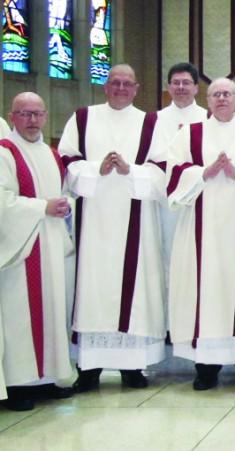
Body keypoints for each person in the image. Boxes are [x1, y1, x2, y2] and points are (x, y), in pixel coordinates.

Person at [59, 64, 166, 392]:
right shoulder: (83, 118)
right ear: (105, 87)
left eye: (127, 84)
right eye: (114, 83)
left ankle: (132, 367)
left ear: (136, 89)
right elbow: (66, 160)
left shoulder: (150, 122)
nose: (120, 88)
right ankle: (89, 367)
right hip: (94, 219)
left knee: (133, 290)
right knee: (93, 286)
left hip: (136, 218)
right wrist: (97, 168)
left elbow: (162, 168)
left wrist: (130, 171)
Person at [164, 78, 235, 391]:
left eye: (228, 93)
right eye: (216, 94)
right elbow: (172, 174)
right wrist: (203, 173)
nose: (222, 98)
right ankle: (206, 367)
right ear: (208, 101)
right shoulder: (190, 134)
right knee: (205, 289)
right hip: (202, 228)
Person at [0, 92, 74, 410]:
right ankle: (19, 384)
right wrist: (42, 207)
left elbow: (63, 192)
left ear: (45, 116)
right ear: (12, 117)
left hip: (50, 244)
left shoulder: (51, 154)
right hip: (22, 249)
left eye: (37, 114)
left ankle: (47, 379)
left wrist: (64, 205)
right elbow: (3, 201)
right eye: (25, 114)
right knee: (21, 314)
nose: (32, 120)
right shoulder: (5, 152)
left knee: (52, 308)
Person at [151, 62, 208, 309]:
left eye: (186, 83)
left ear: (196, 87)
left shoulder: (209, 117)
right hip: (167, 203)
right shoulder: (154, 120)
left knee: (201, 257)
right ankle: (169, 323)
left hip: (202, 200)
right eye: (176, 83)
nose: (181, 87)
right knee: (167, 256)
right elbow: (150, 159)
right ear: (168, 87)